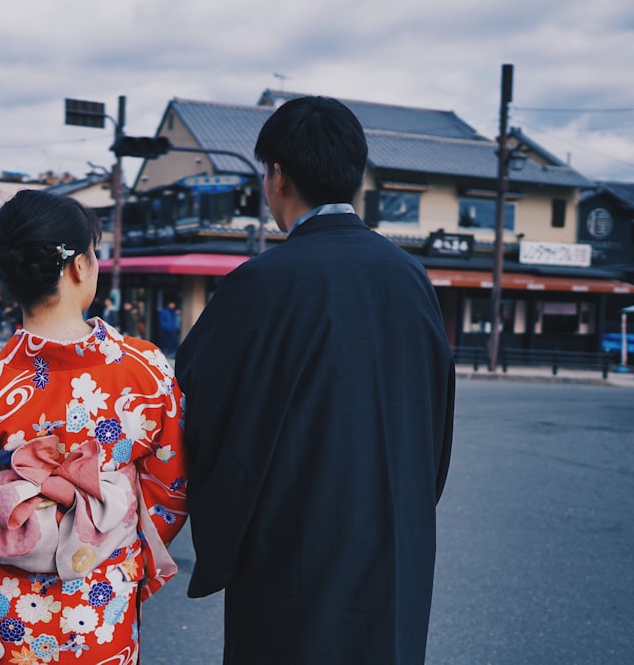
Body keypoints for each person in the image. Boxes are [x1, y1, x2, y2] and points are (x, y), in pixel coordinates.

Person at [174, 96, 455, 664]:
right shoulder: (410, 277)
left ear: (277, 176)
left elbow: (198, 412)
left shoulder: (260, 284)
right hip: (396, 538)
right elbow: (437, 417)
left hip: (293, 543)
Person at [0, 190, 188, 664]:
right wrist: (115, 553)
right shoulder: (145, 369)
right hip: (101, 598)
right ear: (79, 267)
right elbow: (172, 487)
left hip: (3, 606)